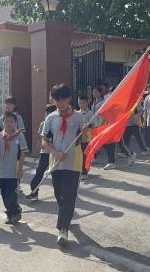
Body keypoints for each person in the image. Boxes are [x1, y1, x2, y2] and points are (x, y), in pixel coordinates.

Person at [41, 84, 88, 246]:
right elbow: (44, 142)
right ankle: (67, 215)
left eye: (63, 99)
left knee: (68, 195)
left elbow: (83, 141)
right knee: (59, 194)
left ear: (69, 98)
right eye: (57, 100)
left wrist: (85, 132)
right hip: (56, 163)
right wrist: (56, 153)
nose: (60, 103)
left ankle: (63, 229)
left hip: (73, 163)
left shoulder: (78, 117)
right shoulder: (51, 118)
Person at [0, 112, 29, 224]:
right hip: (2, 172)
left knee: (11, 194)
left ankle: (15, 213)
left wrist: (20, 168)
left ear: (16, 123)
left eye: (12, 121)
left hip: (14, 172)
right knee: (4, 195)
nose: (9, 123)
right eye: (6, 121)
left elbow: (23, 153)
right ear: (3, 123)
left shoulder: (20, 136)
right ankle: (11, 212)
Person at [0, 96, 27, 192]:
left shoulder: (18, 117)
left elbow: (21, 132)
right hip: (3, 144)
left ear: (15, 106)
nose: (8, 106)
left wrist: (17, 140)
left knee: (15, 164)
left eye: (10, 104)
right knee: (3, 163)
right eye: (6, 103)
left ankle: (16, 183)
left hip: (14, 144)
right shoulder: (2, 117)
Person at [26, 104, 57, 200]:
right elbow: (41, 136)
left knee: (56, 174)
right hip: (45, 152)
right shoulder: (43, 124)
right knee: (39, 171)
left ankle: (62, 193)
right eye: (46, 113)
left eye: (50, 113)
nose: (48, 115)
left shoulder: (59, 123)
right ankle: (34, 192)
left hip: (56, 153)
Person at [93, 85, 117, 170]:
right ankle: (97, 158)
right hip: (98, 124)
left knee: (107, 143)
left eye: (96, 92)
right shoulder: (95, 102)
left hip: (105, 125)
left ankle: (112, 161)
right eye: (93, 92)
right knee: (101, 142)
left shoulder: (105, 101)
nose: (94, 93)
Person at [78, 95, 94, 180]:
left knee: (85, 154)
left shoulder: (90, 113)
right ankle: (81, 170)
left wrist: (87, 126)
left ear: (87, 103)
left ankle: (85, 171)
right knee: (80, 154)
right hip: (79, 137)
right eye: (79, 103)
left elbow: (95, 124)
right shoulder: (77, 113)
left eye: (83, 103)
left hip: (87, 137)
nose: (81, 105)